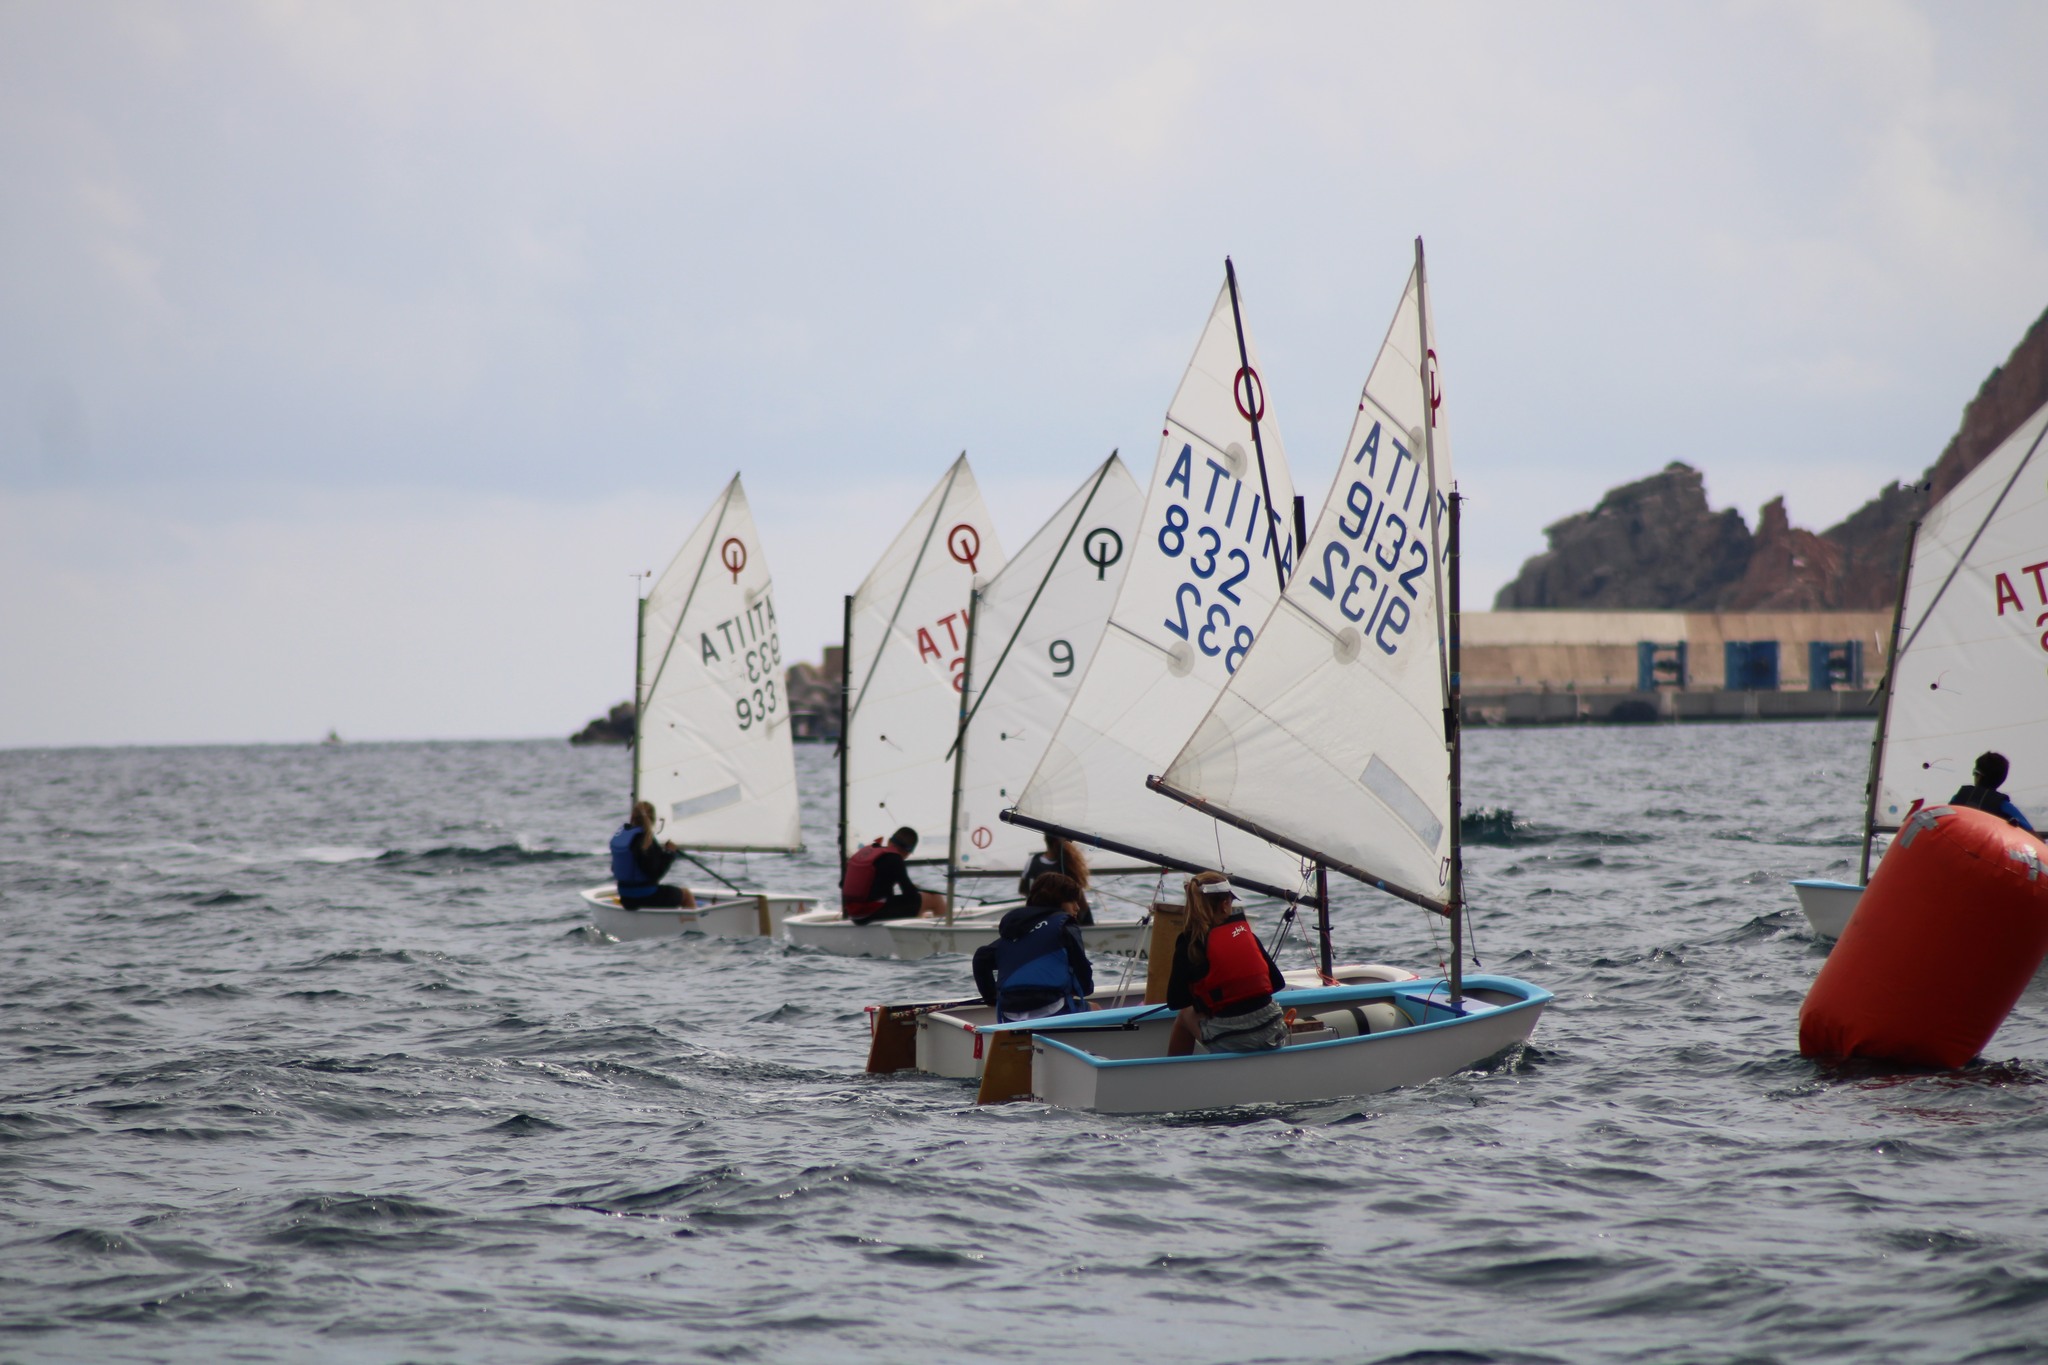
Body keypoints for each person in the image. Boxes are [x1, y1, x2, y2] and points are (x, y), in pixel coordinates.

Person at [1165, 871, 1287, 1056]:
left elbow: (1176, 1001)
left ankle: (1176, 1072)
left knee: (1184, 1015)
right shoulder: (1246, 935)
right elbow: (1277, 983)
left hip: (1231, 1038)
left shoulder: (1190, 944)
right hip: (1273, 1030)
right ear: (1224, 905)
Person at [972, 873, 1095, 1022]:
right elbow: (1083, 976)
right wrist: (1084, 989)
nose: (1077, 907)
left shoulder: (1015, 932)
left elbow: (980, 958)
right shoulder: (1064, 927)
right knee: (1096, 1009)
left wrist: (991, 999)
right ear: (1058, 901)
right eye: (1072, 901)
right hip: (1051, 1009)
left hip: (1010, 1014)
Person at [841, 826, 947, 923]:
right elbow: (910, 895)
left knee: (914, 903)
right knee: (935, 899)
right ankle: (942, 932)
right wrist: (913, 888)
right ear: (907, 852)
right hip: (871, 915)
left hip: (854, 916)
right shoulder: (895, 859)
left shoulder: (869, 851)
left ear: (889, 841)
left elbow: (842, 884)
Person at [609, 800, 698, 909]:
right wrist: (669, 853)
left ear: (632, 816)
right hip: (646, 896)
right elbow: (655, 874)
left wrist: (660, 853)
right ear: (653, 819)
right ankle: (690, 920)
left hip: (626, 898)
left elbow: (614, 868)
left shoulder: (624, 838)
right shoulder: (646, 842)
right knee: (686, 895)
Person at [1949, 751, 2036, 832]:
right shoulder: (2003, 805)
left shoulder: (1959, 797)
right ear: (2002, 779)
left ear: (1978, 776)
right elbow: (2030, 832)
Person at [1018, 833, 1093, 925]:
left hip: (1038, 917)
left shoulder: (1033, 860)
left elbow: (1023, 890)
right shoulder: (1069, 864)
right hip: (1056, 919)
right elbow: (1081, 902)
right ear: (1058, 843)